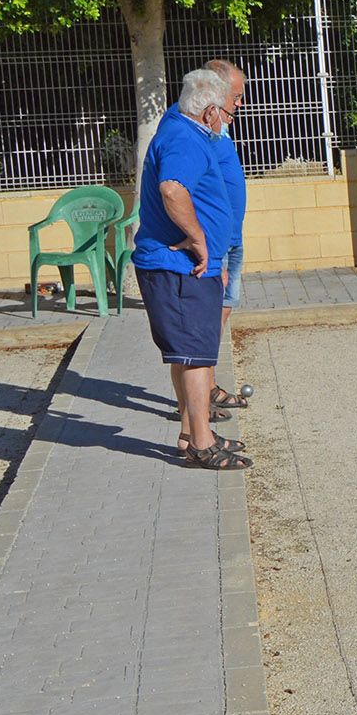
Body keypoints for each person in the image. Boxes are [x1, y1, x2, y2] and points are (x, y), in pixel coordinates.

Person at [134, 66, 247, 469]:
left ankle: (193, 433)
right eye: (228, 109)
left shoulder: (187, 133)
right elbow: (172, 188)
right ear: (211, 112)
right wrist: (199, 239)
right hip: (180, 265)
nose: (228, 117)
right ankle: (201, 442)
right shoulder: (185, 138)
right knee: (197, 356)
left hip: (188, 265)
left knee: (190, 353)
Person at [205, 57, 249, 413]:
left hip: (232, 237)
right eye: (236, 94)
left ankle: (208, 385)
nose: (240, 102)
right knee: (206, 320)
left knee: (221, 312)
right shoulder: (200, 131)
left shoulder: (222, 128)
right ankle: (196, 397)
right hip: (217, 242)